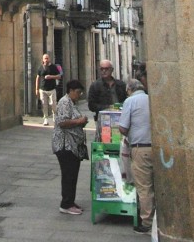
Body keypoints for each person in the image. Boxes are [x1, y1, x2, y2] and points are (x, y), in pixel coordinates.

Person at [119, 78, 155, 235]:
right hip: (156, 147)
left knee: (144, 187)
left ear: (129, 89)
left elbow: (123, 128)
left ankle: (147, 223)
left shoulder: (130, 101)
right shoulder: (150, 98)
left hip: (140, 148)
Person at [52, 78, 89, 215]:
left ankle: (70, 201)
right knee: (68, 174)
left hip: (72, 146)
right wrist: (79, 121)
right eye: (78, 92)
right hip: (65, 145)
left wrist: (81, 121)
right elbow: (62, 122)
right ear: (71, 91)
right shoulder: (64, 102)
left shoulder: (71, 102)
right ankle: (66, 204)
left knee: (73, 174)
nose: (79, 95)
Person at [88, 59, 126, 137]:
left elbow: (125, 100)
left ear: (112, 70)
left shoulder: (121, 84)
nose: (104, 71)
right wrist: (108, 107)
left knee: (119, 138)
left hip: (120, 118)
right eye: (102, 69)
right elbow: (91, 106)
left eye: (106, 69)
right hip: (104, 120)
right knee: (105, 139)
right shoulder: (95, 86)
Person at [35, 52, 62, 124]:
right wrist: (36, 89)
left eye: (47, 58)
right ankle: (45, 118)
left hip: (52, 89)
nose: (46, 60)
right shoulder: (40, 67)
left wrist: (51, 77)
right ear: (43, 59)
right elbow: (37, 78)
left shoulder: (53, 67)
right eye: (45, 58)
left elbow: (59, 76)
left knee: (53, 104)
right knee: (44, 104)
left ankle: (54, 116)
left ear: (49, 59)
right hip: (42, 89)